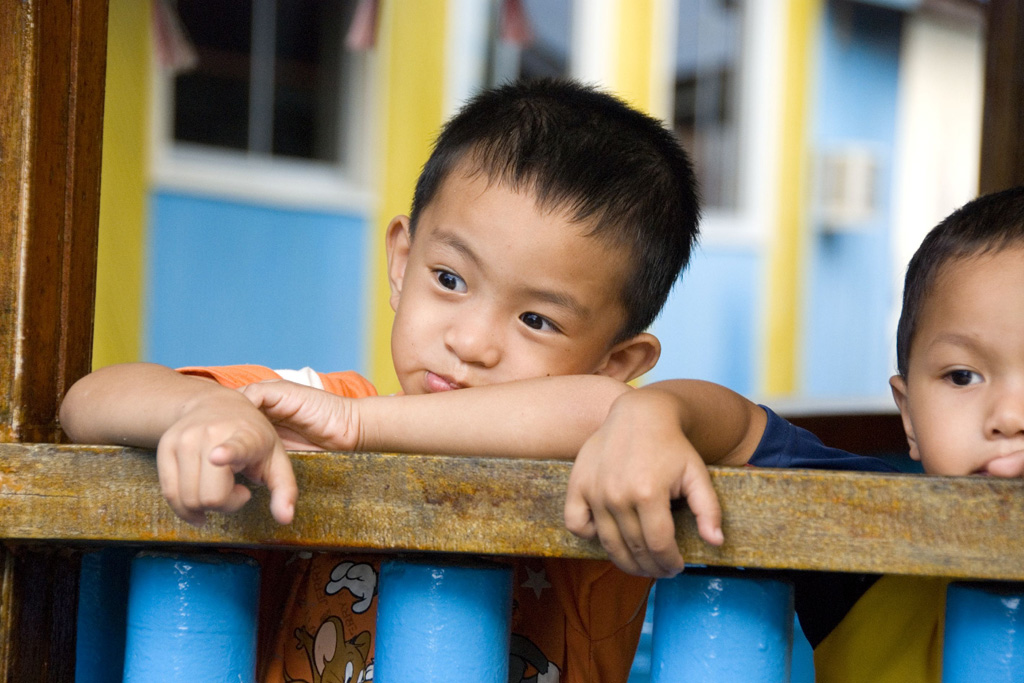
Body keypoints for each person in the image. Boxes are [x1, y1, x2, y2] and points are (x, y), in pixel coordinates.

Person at [60, 79, 712, 683]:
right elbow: (87, 400)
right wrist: (203, 410)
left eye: (536, 319)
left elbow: (604, 409)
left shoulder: (610, 466)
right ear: (402, 260)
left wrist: (359, 428)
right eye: (450, 279)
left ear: (615, 362)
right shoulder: (316, 408)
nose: (470, 342)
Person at [563, 185, 1024, 682]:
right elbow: (744, 432)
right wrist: (651, 413)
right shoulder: (868, 533)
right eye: (962, 376)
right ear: (910, 417)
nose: (1010, 416)